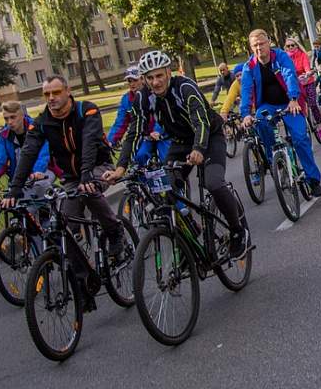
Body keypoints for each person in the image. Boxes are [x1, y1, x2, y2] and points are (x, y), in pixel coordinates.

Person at [104, 51, 249, 258]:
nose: (155, 82)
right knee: (165, 190)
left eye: (159, 75)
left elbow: (201, 121)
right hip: (180, 143)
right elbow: (134, 133)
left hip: (209, 136)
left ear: (168, 73)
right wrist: (120, 167)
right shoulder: (144, 98)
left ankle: (237, 231)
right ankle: (189, 236)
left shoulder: (185, 87)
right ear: (144, 79)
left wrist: (199, 149)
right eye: (150, 77)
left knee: (214, 183)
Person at [2, 75, 127, 260]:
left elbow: (89, 143)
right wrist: (15, 188)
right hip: (71, 177)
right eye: (47, 94)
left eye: (56, 92)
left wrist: (86, 174)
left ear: (68, 92)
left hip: (98, 166)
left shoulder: (87, 111)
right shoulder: (42, 122)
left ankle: (114, 229)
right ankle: (83, 278)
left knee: (88, 190)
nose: (51, 97)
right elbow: (28, 152)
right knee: (63, 228)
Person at [239, 29, 321, 197]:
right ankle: (275, 159)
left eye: (261, 44)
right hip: (267, 105)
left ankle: (313, 179)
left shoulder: (281, 57)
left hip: (290, 102)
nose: (258, 48)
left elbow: (289, 75)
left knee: (300, 138)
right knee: (260, 122)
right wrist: (245, 113)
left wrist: (293, 98)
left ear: (269, 42)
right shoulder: (250, 66)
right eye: (254, 45)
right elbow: (246, 90)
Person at [0, 101, 55, 197]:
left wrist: (37, 171)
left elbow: (44, 154)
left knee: (38, 188)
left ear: (22, 115)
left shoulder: (37, 128)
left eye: (13, 117)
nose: (9, 122)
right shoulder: (4, 136)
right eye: (6, 118)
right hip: (20, 175)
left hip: (45, 169)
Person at [285, 38, 321, 143]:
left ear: (297, 46)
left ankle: (320, 129)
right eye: (288, 46)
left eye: (292, 45)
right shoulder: (285, 58)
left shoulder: (302, 55)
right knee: (298, 108)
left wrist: (307, 72)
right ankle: (303, 128)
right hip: (296, 85)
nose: (290, 47)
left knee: (312, 104)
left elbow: (306, 66)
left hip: (307, 82)